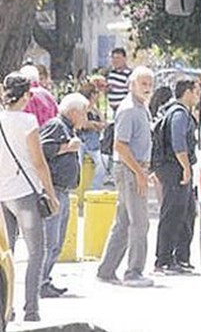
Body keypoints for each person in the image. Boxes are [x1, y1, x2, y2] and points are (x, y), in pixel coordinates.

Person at [0, 72, 60, 322]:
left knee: (8, 253)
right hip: (25, 192)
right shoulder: (27, 121)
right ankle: (31, 309)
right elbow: (38, 162)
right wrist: (51, 194)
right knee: (37, 251)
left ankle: (7, 308)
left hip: (2, 193)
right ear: (25, 95)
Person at [96, 66, 155, 288]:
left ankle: (107, 269)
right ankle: (134, 272)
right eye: (143, 84)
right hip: (130, 168)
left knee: (123, 221)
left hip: (134, 167)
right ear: (132, 84)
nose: (147, 88)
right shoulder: (130, 109)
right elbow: (120, 145)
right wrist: (140, 173)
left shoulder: (141, 108)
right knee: (140, 222)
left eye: (150, 84)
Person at [38, 93, 89, 298]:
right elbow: (41, 150)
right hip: (54, 190)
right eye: (84, 112)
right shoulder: (56, 126)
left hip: (64, 191)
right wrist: (66, 147)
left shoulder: (67, 128)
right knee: (50, 241)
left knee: (57, 241)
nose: (86, 116)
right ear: (74, 111)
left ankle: (45, 279)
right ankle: (39, 282)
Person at [153, 79, 201, 273]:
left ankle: (181, 257)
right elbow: (178, 142)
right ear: (187, 92)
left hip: (178, 168)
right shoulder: (179, 114)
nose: (198, 96)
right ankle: (163, 259)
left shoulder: (181, 113)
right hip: (174, 169)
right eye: (196, 92)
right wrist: (186, 167)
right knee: (172, 213)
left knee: (187, 212)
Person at [78, 82, 109, 189]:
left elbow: (103, 123)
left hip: (94, 143)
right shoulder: (82, 107)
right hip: (82, 141)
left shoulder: (94, 109)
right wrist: (96, 125)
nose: (99, 94)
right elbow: (84, 124)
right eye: (96, 92)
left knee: (102, 164)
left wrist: (96, 123)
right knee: (78, 165)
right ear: (92, 94)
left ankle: (94, 189)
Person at [106, 48, 132, 118]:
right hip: (114, 110)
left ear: (124, 59)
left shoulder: (129, 74)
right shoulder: (111, 73)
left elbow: (131, 92)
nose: (115, 60)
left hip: (124, 110)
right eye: (113, 58)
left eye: (118, 58)